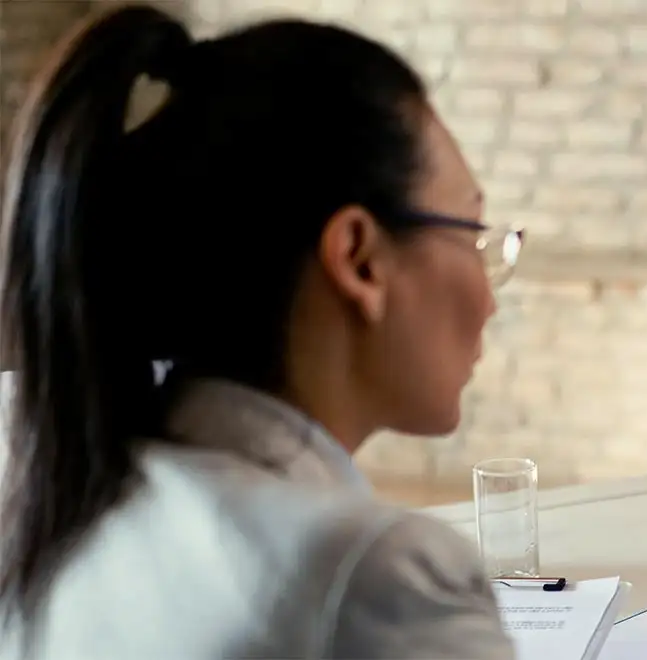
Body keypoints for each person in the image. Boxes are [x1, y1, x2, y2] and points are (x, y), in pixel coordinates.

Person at [0, 5, 523, 658]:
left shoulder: (63, 494)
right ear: (359, 259)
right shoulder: (378, 577)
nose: (488, 300)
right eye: (472, 234)